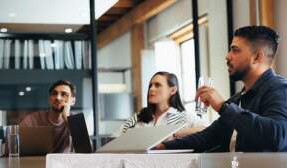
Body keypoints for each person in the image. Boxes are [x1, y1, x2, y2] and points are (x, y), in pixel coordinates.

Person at [158, 26, 287, 152]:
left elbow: (278, 137)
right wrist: (164, 146)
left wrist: (222, 106)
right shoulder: (239, 98)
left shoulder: (279, 89)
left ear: (257, 57)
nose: (227, 56)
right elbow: (208, 137)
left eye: (235, 50)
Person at [116, 71, 206, 138]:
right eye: (151, 85)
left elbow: (206, 129)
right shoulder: (138, 117)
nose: (151, 89)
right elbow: (115, 138)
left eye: (157, 85)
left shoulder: (184, 117)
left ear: (173, 90)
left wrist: (175, 134)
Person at [19, 80, 76, 153]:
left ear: (73, 101)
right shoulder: (33, 119)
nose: (58, 98)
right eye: (54, 94)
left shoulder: (76, 121)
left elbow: (86, 151)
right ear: (50, 99)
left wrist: (68, 119)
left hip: (65, 163)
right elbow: (13, 145)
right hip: (37, 163)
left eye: (64, 94)